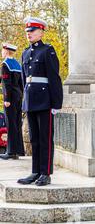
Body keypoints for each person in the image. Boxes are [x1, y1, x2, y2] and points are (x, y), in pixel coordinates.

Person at [17, 17, 63, 187]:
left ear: (41, 32)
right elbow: (23, 80)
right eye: (27, 32)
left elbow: (54, 79)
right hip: (30, 100)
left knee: (45, 138)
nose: (29, 34)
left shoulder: (47, 51)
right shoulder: (25, 53)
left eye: (33, 31)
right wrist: (24, 101)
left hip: (45, 101)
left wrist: (56, 104)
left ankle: (45, 172)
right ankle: (35, 171)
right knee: (34, 139)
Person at [0, 43, 25, 160]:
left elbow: (6, 84)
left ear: (6, 51)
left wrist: (6, 99)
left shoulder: (5, 65)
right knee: (17, 123)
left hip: (10, 98)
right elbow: (21, 83)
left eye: (2, 50)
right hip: (18, 96)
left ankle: (10, 152)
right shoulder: (17, 64)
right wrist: (21, 95)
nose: (1, 52)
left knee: (10, 123)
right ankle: (18, 151)